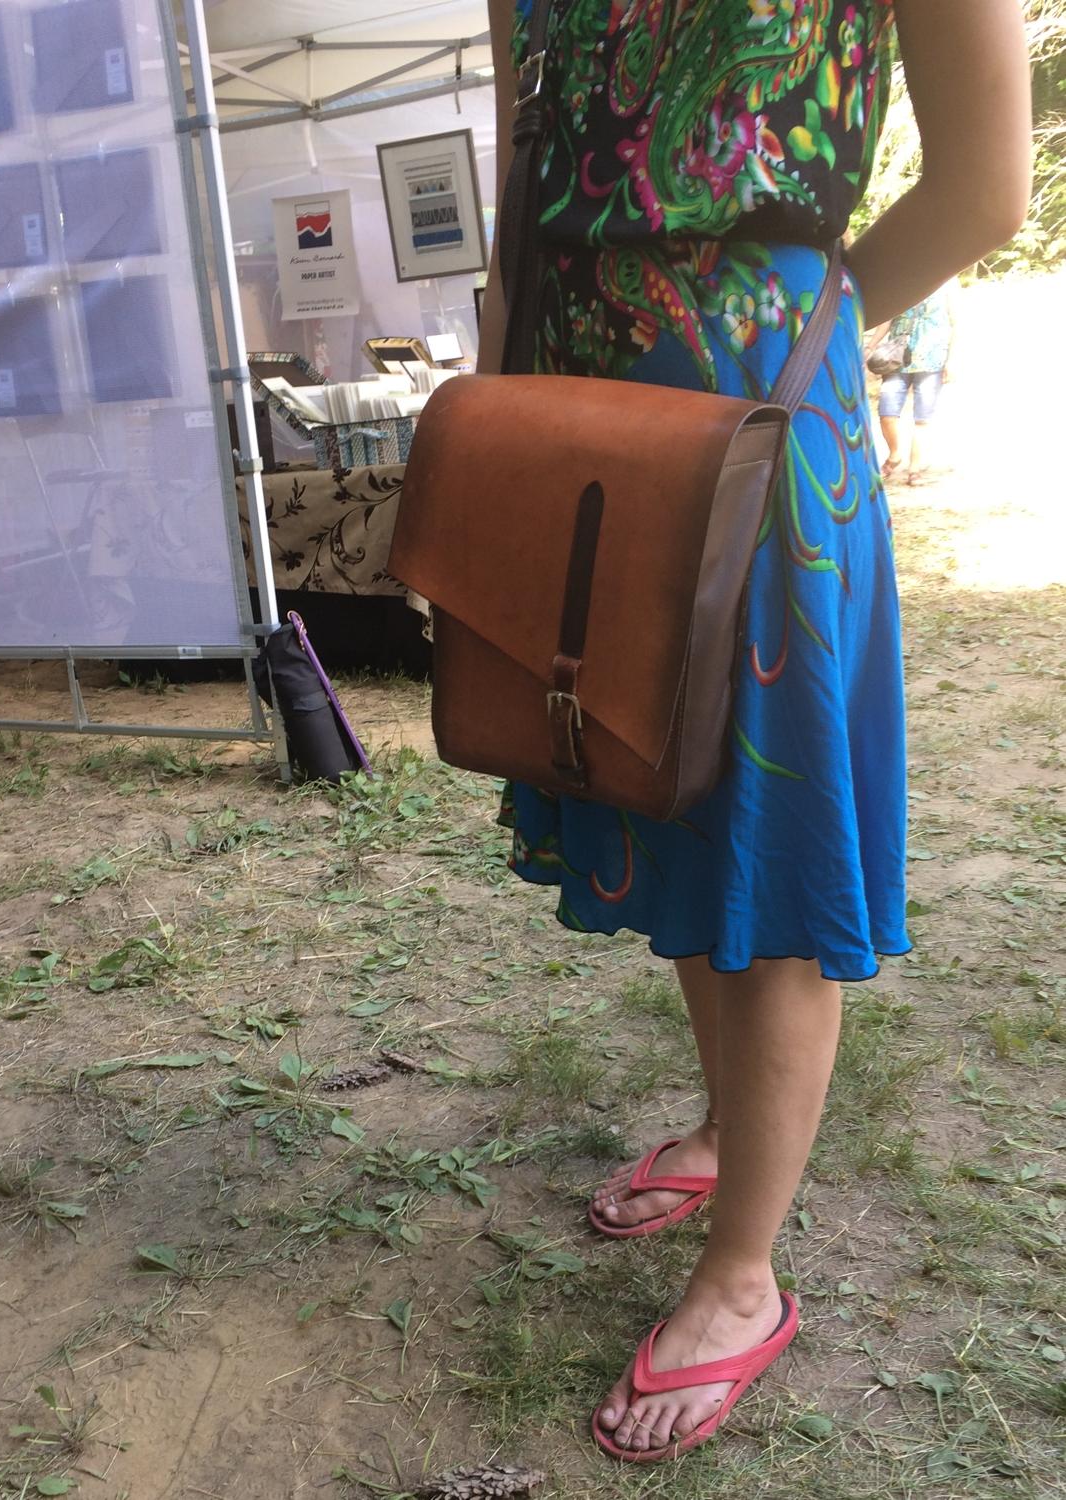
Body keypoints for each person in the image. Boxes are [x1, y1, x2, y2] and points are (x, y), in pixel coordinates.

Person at [477, 0, 1030, 1465]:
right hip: (578, 407)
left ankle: (742, 1276)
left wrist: (786, 318)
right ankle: (727, 1132)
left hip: (763, 404)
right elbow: (523, 178)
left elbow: (985, 189)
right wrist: (496, 421)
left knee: (765, 828)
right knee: (652, 777)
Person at [877, 284, 955, 485]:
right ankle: (894, 455)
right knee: (886, 414)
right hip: (897, 359)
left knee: (922, 418)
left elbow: (957, 323)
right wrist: (870, 346)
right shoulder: (904, 279)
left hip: (932, 360)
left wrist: (952, 360)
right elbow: (887, 318)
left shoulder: (948, 283)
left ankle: (915, 468)